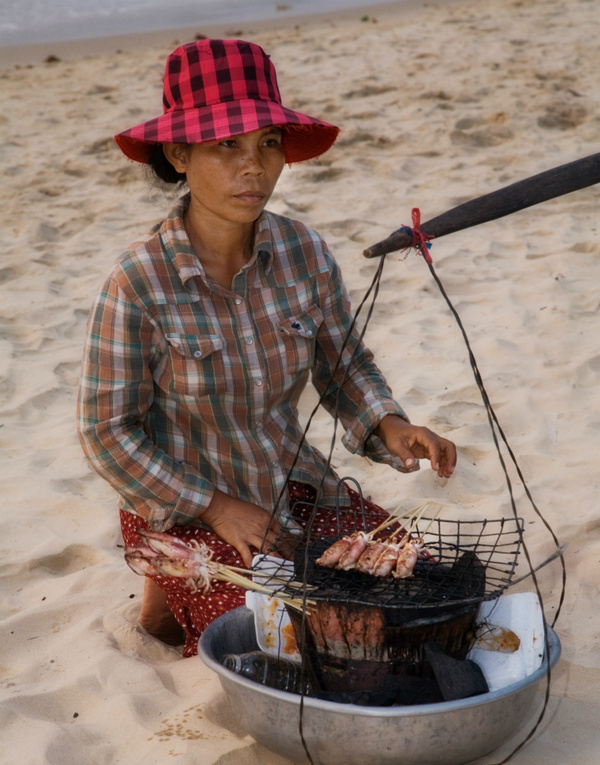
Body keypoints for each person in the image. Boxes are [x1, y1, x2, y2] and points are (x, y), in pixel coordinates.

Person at [77, 38, 456, 657]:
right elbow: (105, 431)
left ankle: (168, 596)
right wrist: (218, 508)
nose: (253, 167)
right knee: (297, 637)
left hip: (294, 484)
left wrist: (389, 423)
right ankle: (164, 587)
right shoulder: (139, 281)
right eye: (226, 145)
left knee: (414, 588)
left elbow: (343, 364)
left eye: (268, 144)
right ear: (178, 153)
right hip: (186, 505)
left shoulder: (303, 253)